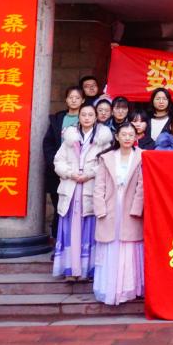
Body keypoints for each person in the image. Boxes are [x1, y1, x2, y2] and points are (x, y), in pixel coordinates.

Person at [52, 104, 112, 281]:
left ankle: (87, 270)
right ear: (78, 117)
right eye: (83, 114)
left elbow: (106, 162)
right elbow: (58, 161)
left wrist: (89, 174)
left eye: (90, 115)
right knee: (69, 228)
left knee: (89, 228)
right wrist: (70, 173)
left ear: (96, 117)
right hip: (70, 187)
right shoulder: (70, 137)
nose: (86, 118)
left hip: (90, 186)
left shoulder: (103, 139)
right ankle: (70, 270)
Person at [92, 122, 144, 305]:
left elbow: (142, 187)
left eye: (131, 135)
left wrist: (137, 209)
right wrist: (100, 209)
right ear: (117, 137)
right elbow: (99, 186)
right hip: (110, 206)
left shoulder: (142, 156)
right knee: (110, 247)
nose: (127, 138)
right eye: (124, 134)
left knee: (128, 248)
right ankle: (110, 289)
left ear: (136, 137)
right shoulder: (107, 158)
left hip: (130, 208)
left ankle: (129, 289)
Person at [43, 86, 85, 239]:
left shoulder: (86, 118)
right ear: (66, 100)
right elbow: (48, 143)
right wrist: (54, 163)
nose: (74, 100)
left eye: (77, 98)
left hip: (80, 171)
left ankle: (76, 242)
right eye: (71, 97)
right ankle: (58, 241)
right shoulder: (58, 119)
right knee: (59, 207)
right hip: (58, 170)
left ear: (83, 100)